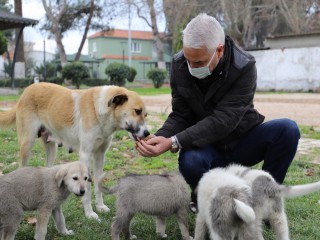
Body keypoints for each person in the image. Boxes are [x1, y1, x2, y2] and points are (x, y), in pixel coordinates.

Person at [135, 13, 300, 213]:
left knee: (287, 130)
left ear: (219, 50)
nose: (191, 66)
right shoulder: (180, 65)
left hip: (242, 141)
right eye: (188, 59)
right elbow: (181, 114)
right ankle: (204, 198)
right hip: (206, 148)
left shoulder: (244, 66)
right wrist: (161, 136)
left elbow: (224, 120)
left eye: (198, 62)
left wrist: (173, 142)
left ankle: (264, 201)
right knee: (191, 160)